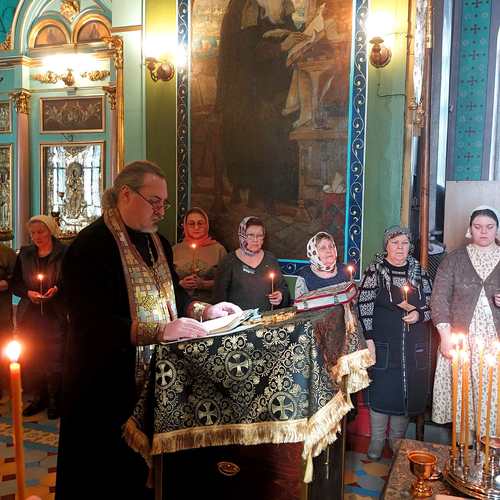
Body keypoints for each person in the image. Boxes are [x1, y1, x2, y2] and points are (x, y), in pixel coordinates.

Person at [55, 161, 240, 500]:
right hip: (104, 387)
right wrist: (161, 331)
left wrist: (206, 310)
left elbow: (174, 293)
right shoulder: (90, 247)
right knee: (106, 479)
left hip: (154, 381)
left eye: (164, 203)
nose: (160, 210)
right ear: (125, 194)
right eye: (154, 201)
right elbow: (90, 323)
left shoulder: (158, 242)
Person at [216, 0, 303, 210]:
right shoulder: (243, 7)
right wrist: (282, 46)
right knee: (266, 122)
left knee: (294, 116)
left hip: (275, 88)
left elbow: (290, 30)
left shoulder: (281, 5)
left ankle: (285, 190)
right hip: (246, 94)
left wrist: (300, 37)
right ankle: (261, 190)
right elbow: (243, 55)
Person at [357, 226, 432, 460]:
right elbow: (363, 306)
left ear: (410, 246)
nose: (400, 247)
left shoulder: (420, 272)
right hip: (382, 344)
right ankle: (378, 440)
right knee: (381, 390)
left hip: (413, 346)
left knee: (405, 393)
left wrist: (419, 314)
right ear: (386, 246)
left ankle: (396, 441)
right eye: (395, 243)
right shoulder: (374, 271)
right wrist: (369, 339)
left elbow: (432, 305)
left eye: (404, 243)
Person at [432, 206, 500, 438]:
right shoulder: (454, 259)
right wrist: (445, 335)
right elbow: (439, 298)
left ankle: (489, 448)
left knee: (491, 392)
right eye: (478, 227)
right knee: (464, 392)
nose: (484, 232)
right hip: (461, 339)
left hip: (493, 342)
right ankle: (464, 446)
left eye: (489, 227)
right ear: (470, 229)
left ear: (497, 230)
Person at [10, 215, 66, 419]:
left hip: (55, 313)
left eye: (40, 232)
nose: (36, 237)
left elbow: (73, 280)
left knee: (54, 356)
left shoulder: (64, 253)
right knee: (34, 356)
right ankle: (38, 397)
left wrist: (57, 289)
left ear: (50, 231)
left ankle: (55, 400)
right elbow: (16, 283)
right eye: (33, 233)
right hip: (30, 314)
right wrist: (28, 293)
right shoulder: (25, 254)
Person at [213, 216, 290, 311]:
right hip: (238, 318)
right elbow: (219, 298)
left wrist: (280, 295)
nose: (255, 239)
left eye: (259, 235)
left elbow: (282, 287)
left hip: (266, 317)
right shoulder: (229, 261)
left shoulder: (270, 259)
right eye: (250, 235)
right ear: (242, 235)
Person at [173, 207, 227, 303]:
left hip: (209, 305)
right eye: (191, 224)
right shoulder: (175, 250)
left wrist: (204, 284)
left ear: (206, 225)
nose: (196, 227)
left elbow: (226, 282)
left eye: (200, 223)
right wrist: (181, 283)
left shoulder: (219, 250)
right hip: (180, 304)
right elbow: (165, 281)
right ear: (185, 226)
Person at [294, 231, 350, 298]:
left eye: (331, 246)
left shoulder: (344, 269)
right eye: (323, 248)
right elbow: (300, 302)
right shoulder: (305, 275)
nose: (329, 251)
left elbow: (353, 296)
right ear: (314, 253)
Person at [0, 242, 16, 398]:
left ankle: (4, 382)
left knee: (3, 344)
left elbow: (16, 280)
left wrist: (5, 283)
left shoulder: (7, 253)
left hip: (2, 312)